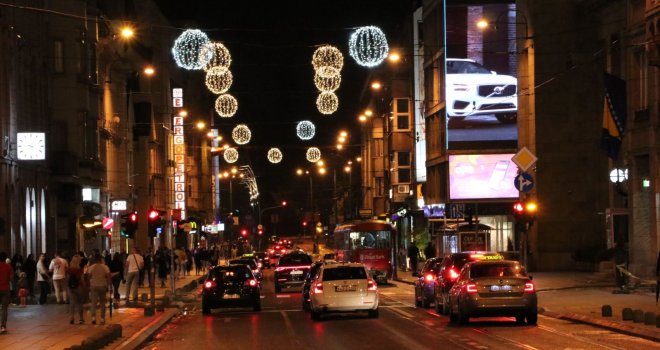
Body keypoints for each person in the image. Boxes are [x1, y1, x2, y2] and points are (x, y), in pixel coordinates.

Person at [86, 255, 110, 325]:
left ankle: (93, 318)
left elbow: (88, 277)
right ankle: (102, 318)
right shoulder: (105, 267)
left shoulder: (91, 267)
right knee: (102, 303)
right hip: (103, 286)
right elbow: (109, 277)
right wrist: (109, 286)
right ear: (101, 260)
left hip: (93, 286)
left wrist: (88, 286)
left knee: (94, 303)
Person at [67, 255, 86, 324]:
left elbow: (67, 278)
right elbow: (82, 279)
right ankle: (81, 319)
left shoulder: (69, 269)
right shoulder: (80, 269)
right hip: (79, 286)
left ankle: (71, 318)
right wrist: (85, 287)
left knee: (72, 303)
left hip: (71, 287)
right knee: (80, 303)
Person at [0, 252, 14, 333]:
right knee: (4, 308)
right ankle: (3, 327)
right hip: (5, 289)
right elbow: (11, 279)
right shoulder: (8, 267)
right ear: (5, 258)